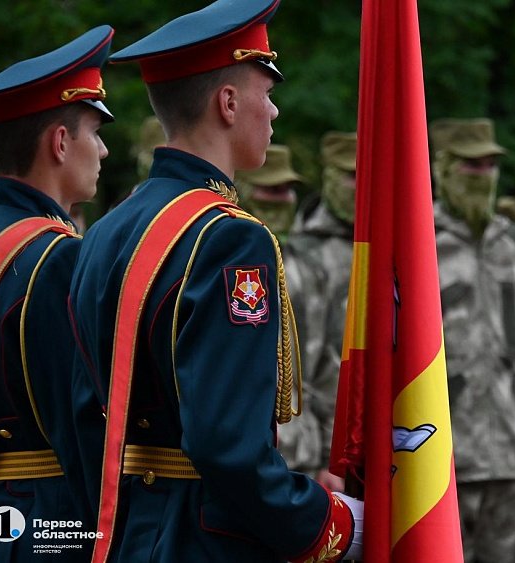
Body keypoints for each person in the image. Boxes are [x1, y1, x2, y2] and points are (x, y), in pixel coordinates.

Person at [68, 1, 360, 562]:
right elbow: (226, 445)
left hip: (131, 533)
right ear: (228, 103)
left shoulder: (105, 232)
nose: (274, 113)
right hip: (210, 540)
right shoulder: (230, 238)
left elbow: (87, 418)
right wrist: (325, 524)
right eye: (266, 94)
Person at [0, 25, 115, 561]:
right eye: (93, 131)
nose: (105, 150)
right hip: (59, 529)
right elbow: (83, 422)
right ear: (60, 143)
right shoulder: (57, 256)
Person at [430, 117, 515, 562]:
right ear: (442, 168)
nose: (483, 175)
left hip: (509, 449)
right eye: (471, 166)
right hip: (439, 452)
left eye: (490, 165)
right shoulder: (417, 240)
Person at [237, 145, 335, 487]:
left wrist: (329, 457)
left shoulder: (310, 269)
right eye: (270, 189)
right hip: (245, 453)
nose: (282, 198)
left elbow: (325, 369)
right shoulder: (226, 262)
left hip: (303, 451)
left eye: (287, 189)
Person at [290, 131, 358, 493]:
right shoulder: (301, 253)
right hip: (323, 447)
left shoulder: (398, 246)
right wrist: (325, 456)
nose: (360, 186)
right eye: (350, 175)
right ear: (329, 175)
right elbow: (304, 368)